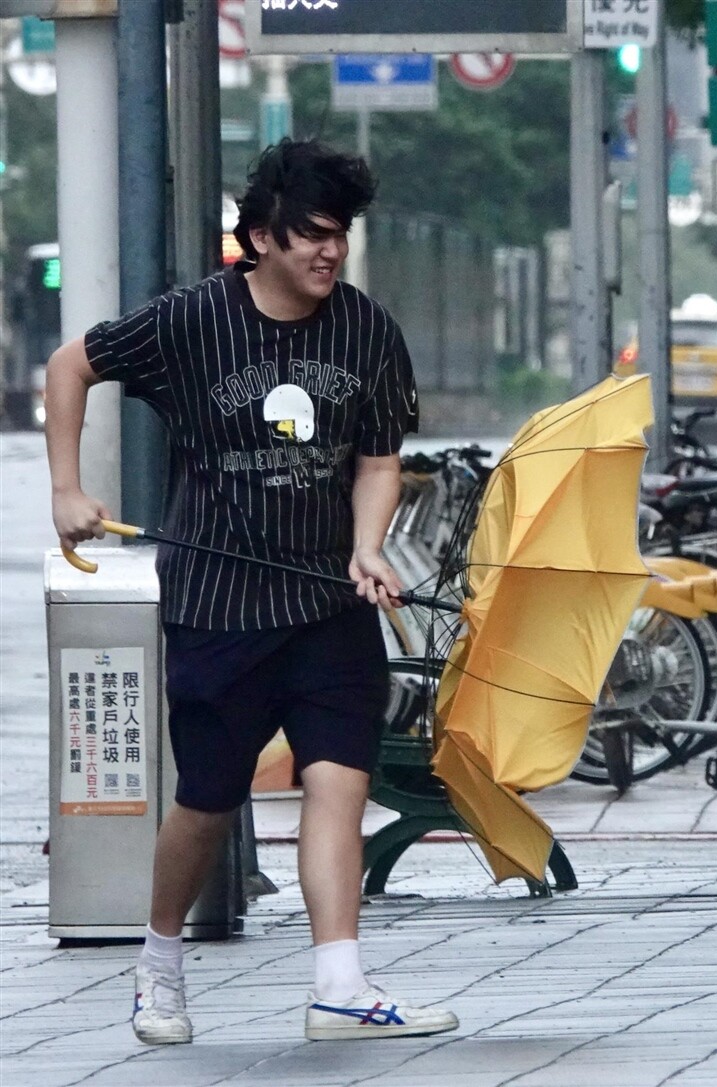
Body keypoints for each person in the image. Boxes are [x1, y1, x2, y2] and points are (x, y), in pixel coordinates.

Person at [45, 139, 456, 1045]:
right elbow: (70, 366)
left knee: (338, 780)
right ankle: (158, 968)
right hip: (219, 604)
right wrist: (67, 489)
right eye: (311, 235)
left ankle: (339, 984)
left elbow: (379, 459)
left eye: (339, 235)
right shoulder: (191, 322)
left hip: (328, 602)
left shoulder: (366, 329)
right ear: (261, 237)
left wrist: (366, 547)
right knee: (209, 795)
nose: (329, 253)